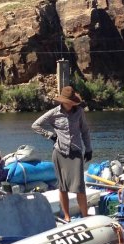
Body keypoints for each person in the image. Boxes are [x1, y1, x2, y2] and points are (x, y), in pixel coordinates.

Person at [32, 86, 92, 222]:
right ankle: (67, 216)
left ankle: (85, 216)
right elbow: (35, 125)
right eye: (69, 101)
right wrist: (50, 135)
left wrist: (89, 149)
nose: (72, 103)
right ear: (63, 101)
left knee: (79, 187)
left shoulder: (80, 112)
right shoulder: (54, 113)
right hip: (59, 152)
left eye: (73, 101)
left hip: (76, 152)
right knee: (63, 186)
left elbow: (85, 131)